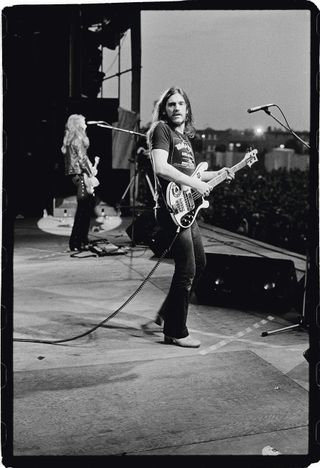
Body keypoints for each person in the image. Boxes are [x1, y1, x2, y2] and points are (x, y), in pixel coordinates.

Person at [142, 86, 235, 348]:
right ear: (165, 108)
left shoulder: (184, 139)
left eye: (181, 104)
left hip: (187, 210)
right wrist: (195, 186)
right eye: (171, 104)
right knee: (187, 269)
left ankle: (167, 313)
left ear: (187, 108)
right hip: (172, 210)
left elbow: (192, 174)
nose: (176, 108)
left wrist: (222, 172)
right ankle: (175, 331)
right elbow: (161, 168)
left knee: (200, 263)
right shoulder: (162, 130)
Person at [61, 114, 98, 252]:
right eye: (84, 122)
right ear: (78, 124)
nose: (86, 125)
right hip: (81, 176)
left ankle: (81, 240)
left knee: (85, 207)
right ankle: (76, 241)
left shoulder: (72, 139)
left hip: (76, 176)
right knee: (84, 209)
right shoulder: (78, 139)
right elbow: (82, 159)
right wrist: (91, 173)